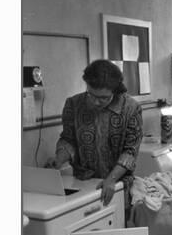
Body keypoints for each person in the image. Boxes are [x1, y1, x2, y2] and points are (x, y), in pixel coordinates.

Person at [55, 59, 143, 208]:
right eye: (91, 95)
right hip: (83, 183)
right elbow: (68, 139)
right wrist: (58, 160)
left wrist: (111, 179)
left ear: (115, 91)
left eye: (103, 98)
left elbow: (130, 152)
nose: (96, 102)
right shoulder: (74, 104)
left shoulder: (130, 109)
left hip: (117, 183)